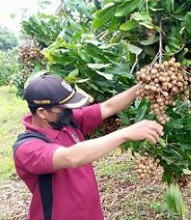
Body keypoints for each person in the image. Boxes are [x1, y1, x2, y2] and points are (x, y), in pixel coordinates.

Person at [12, 74, 163, 220]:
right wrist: (126, 133)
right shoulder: (27, 148)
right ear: (42, 112)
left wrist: (142, 86)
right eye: (64, 108)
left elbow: (108, 107)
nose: (69, 112)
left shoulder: (67, 123)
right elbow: (71, 157)